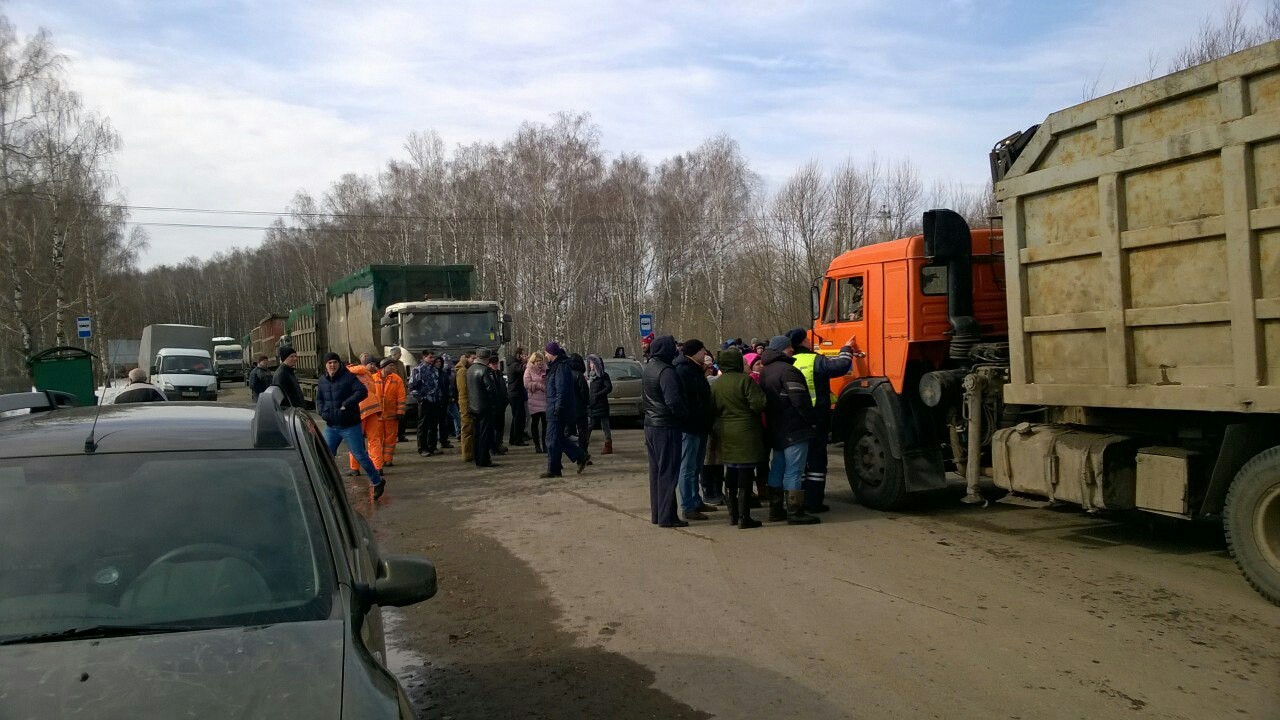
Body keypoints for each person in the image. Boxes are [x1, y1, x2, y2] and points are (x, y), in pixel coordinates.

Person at [787, 327, 857, 513]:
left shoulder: (788, 362)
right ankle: (814, 501)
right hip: (816, 417)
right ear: (804, 342)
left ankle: (797, 501)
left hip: (794, 418)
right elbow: (841, 366)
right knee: (816, 459)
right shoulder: (814, 360)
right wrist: (847, 349)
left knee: (798, 461)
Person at [760, 335, 819, 525]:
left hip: (775, 427)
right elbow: (799, 400)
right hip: (794, 428)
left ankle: (775, 509)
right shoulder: (788, 370)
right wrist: (811, 421)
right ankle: (795, 511)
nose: (792, 350)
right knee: (794, 470)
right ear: (783, 349)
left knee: (777, 467)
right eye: (789, 347)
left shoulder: (766, 371)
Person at [710, 347, 766, 528]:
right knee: (746, 473)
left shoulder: (717, 383)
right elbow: (758, 404)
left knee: (731, 472)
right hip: (746, 431)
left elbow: (712, 409)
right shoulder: (745, 381)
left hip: (725, 431)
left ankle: (732, 515)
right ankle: (744, 517)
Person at [317, 353, 384, 499]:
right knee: (326, 455)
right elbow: (319, 399)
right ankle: (327, 485)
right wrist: (322, 412)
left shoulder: (348, 377)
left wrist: (346, 404)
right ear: (325, 365)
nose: (332, 365)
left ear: (339, 364)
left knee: (360, 454)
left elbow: (362, 392)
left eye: (335, 362)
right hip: (332, 426)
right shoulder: (322, 380)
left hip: (350, 425)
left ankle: (377, 481)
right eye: (329, 363)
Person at [643, 335, 688, 528]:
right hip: (666, 426)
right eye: (674, 347)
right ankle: (667, 516)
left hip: (651, 425)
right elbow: (673, 401)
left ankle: (659, 514)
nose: (677, 350)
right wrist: (684, 415)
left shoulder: (649, 368)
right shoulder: (666, 371)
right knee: (668, 472)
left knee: (657, 472)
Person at [673, 339, 718, 518]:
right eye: (703, 351)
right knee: (688, 467)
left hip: (700, 425)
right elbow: (687, 399)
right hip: (690, 426)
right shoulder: (684, 370)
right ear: (694, 352)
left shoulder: (693, 369)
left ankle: (695, 500)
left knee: (696, 466)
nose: (705, 354)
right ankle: (688, 505)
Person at [541, 342, 589, 478]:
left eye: (547, 352)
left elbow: (561, 390)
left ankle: (554, 469)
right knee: (557, 439)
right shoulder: (556, 367)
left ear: (553, 354)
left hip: (557, 410)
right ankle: (578, 456)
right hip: (555, 407)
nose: (545, 355)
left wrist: (558, 408)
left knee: (551, 440)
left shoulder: (560, 368)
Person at [347, 358, 385, 478]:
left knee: (355, 439)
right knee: (374, 439)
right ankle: (378, 467)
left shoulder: (347, 376)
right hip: (373, 408)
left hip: (359, 409)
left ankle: (354, 468)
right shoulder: (367, 374)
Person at [467, 348, 499, 467]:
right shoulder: (485, 370)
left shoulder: (470, 370)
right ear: (487, 358)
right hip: (484, 406)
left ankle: (477, 457)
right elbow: (490, 389)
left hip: (473, 406)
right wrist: (495, 404)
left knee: (476, 433)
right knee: (485, 434)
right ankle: (484, 459)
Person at [410, 350, 442, 456]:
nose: (432, 359)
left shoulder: (434, 370)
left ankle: (432, 446)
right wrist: (420, 399)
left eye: (433, 357)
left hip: (435, 401)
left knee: (433, 425)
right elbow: (413, 386)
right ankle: (422, 448)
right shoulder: (418, 370)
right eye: (430, 357)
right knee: (423, 425)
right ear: (424, 357)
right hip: (425, 401)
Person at [379, 357, 407, 466]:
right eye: (391, 365)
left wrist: (400, 412)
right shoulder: (373, 378)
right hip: (377, 416)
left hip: (391, 415)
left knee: (390, 440)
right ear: (384, 367)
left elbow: (401, 397)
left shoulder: (396, 379)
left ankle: (388, 459)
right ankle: (379, 460)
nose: (393, 367)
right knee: (378, 440)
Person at [586, 354, 614, 454]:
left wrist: (598, 394)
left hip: (602, 405)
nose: (591, 365)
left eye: (593, 363)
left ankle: (608, 445)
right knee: (589, 426)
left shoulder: (603, 376)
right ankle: (584, 446)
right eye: (590, 363)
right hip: (591, 405)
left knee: (605, 425)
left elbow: (609, 387)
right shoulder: (588, 376)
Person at [524, 351, 548, 453]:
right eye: (537, 361)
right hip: (534, 400)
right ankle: (537, 445)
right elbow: (526, 384)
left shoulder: (546, 370)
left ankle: (545, 444)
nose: (539, 363)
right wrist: (539, 386)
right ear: (533, 361)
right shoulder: (528, 370)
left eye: (541, 361)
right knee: (535, 423)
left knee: (545, 424)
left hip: (545, 400)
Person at [486, 353, 509, 455]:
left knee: (500, 426)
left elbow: (503, 388)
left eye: (496, 363)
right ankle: (493, 446)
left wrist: (505, 400)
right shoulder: (488, 374)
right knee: (493, 427)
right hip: (492, 405)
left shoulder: (499, 374)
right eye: (493, 364)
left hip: (501, 404)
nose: (495, 365)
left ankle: (498, 444)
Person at [455, 353, 475, 463]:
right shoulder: (462, 371)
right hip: (465, 402)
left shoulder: (466, 369)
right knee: (467, 428)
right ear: (467, 358)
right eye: (473, 358)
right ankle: (467, 454)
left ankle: (470, 452)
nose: (474, 360)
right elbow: (463, 390)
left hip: (467, 402)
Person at [570, 353, 590, 459]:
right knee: (582, 433)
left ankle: (575, 452)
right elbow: (584, 393)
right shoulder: (579, 376)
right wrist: (587, 403)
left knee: (569, 432)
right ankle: (583, 453)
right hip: (580, 408)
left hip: (569, 408)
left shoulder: (566, 374)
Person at [507, 348, 529, 446]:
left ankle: (513, 438)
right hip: (516, 394)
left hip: (517, 393)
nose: (525, 357)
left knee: (517, 417)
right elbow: (522, 368)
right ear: (518, 355)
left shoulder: (514, 364)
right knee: (519, 417)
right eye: (523, 355)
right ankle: (517, 439)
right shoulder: (515, 365)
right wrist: (528, 361)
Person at [388, 346, 409, 442]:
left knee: (402, 415)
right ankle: (394, 436)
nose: (400, 354)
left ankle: (401, 435)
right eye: (399, 353)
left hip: (401, 393)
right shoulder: (388, 364)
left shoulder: (401, 364)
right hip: (392, 394)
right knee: (393, 417)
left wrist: (405, 388)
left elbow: (404, 377)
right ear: (394, 354)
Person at [434, 355, 454, 449]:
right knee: (433, 423)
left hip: (444, 400)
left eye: (440, 362)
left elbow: (447, 385)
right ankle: (433, 443)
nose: (438, 364)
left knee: (443, 422)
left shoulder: (443, 373)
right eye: (436, 362)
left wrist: (449, 396)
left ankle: (444, 441)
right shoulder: (431, 373)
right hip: (433, 401)